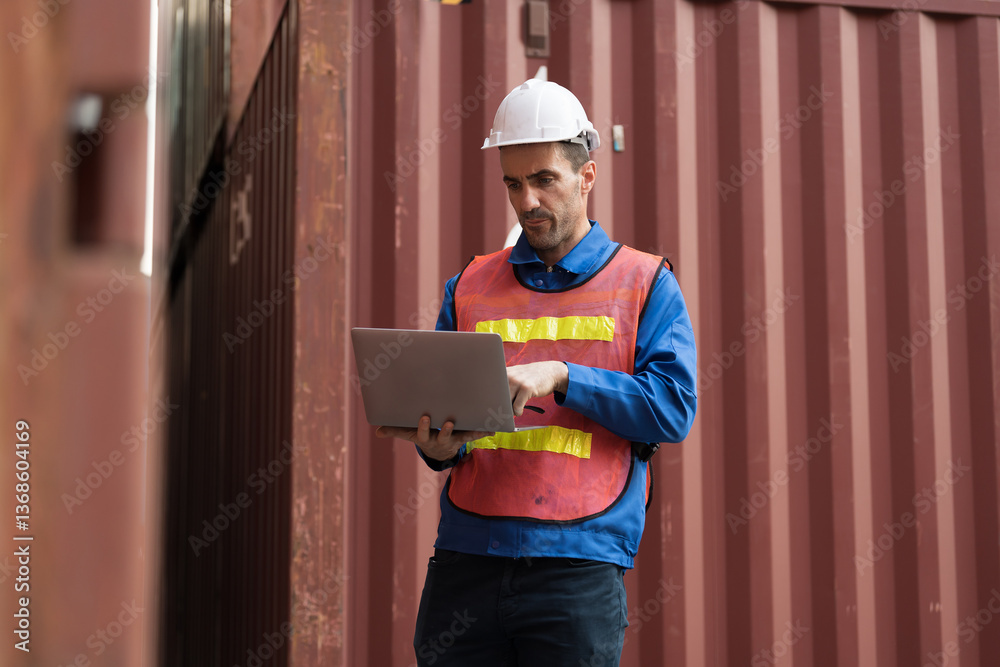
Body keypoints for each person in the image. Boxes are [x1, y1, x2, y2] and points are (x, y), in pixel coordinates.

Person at [376, 76, 697, 667]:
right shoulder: (469, 285)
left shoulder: (645, 283)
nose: (527, 201)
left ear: (586, 176)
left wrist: (564, 375)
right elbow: (449, 431)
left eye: (544, 179)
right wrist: (438, 448)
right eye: (513, 183)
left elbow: (672, 410)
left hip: (578, 568)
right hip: (467, 560)